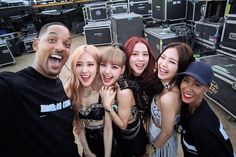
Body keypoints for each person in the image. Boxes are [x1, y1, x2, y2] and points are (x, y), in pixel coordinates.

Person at [0, 22, 80, 157]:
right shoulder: (12, 85)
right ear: (36, 45)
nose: (61, 47)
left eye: (67, 44)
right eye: (52, 40)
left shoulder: (57, 82)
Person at [146, 42, 195, 157]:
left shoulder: (169, 98)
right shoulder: (165, 83)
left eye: (172, 62)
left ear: (181, 68)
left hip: (161, 145)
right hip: (153, 136)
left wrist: (152, 148)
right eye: (162, 57)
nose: (163, 64)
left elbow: (166, 133)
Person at [99, 45, 147, 157]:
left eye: (114, 67)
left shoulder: (124, 92)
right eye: (103, 65)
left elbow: (123, 125)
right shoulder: (109, 87)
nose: (107, 71)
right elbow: (108, 125)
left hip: (133, 139)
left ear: (122, 69)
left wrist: (107, 106)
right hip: (121, 138)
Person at [64, 45, 112, 157]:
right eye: (79, 64)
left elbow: (108, 128)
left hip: (109, 141)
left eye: (90, 64)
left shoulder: (105, 88)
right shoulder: (70, 89)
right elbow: (78, 125)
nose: (84, 70)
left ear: (98, 66)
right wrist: (87, 152)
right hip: (88, 142)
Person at [179, 61, 235, 157]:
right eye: (186, 80)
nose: (188, 88)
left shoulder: (201, 127)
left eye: (197, 85)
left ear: (207, 89)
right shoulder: (190, 107)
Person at [123, 36, 156, 125]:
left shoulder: (153, 78)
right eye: (135, 54)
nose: (141, 59)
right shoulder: (120, 80)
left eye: (145, 54)